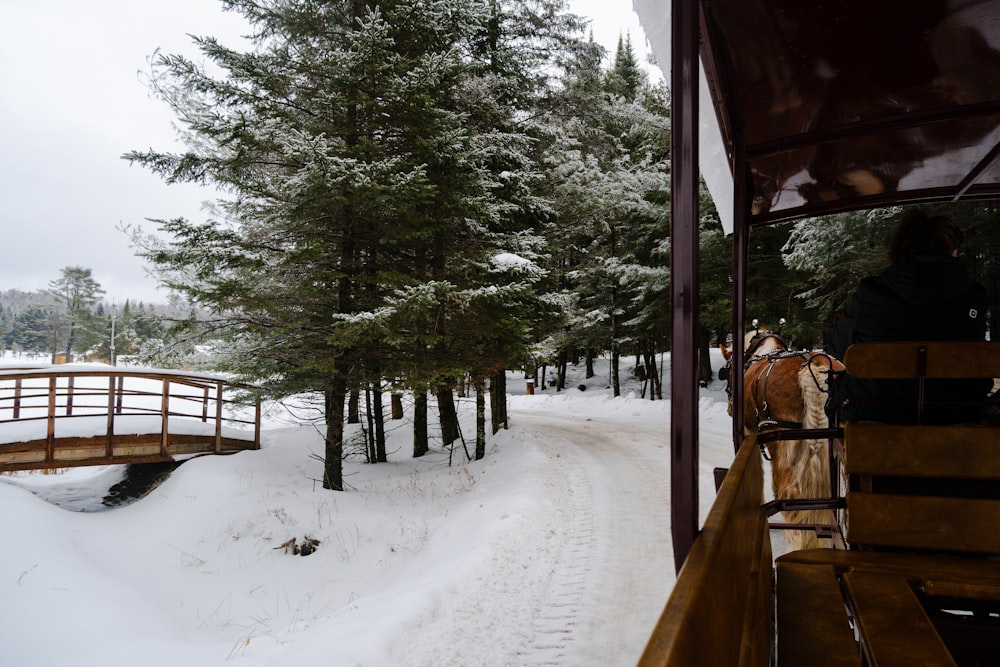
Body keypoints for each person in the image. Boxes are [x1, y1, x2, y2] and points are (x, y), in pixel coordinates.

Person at [825, 208, 990, 423]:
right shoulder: (975, 296)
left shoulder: (872, 292)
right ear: (950, 252)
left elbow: (837, 348)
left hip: (874, 411)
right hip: (957, 413)